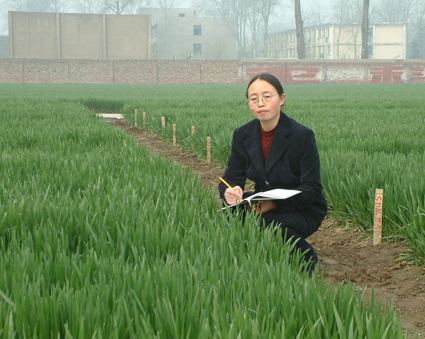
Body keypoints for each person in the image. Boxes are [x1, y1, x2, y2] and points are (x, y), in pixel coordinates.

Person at [218, 73, 327, 275]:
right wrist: (229, 192)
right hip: (264, 202)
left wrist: (272, 203)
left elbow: (312, 189)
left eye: (267, 96)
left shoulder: (302, 136)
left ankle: (305, 258)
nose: (261, 103)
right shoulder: (243, 134)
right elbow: (231, 178)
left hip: (303, 208)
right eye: (254, 98)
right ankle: (253, 260)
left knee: (266, 223)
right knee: (228, 217)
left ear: (282, 99)